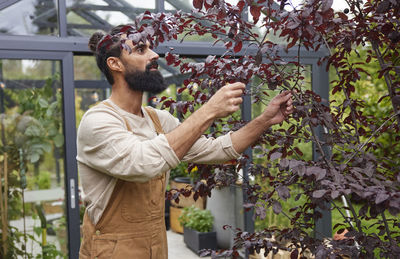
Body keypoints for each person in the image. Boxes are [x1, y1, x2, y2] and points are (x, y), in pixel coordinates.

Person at [77, 24, 293, 259]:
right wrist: (208, 110)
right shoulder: (98, 121)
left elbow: (217, 149)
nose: (154, 55)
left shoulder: (157, 119)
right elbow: (143, 163)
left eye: (151, 48)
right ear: (115, 64)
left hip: (156, 248)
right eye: (141, 50)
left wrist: (265, 119)